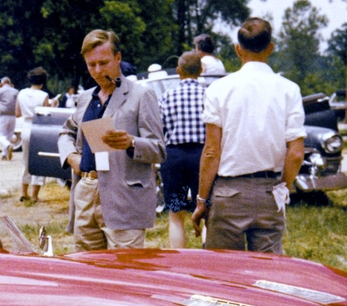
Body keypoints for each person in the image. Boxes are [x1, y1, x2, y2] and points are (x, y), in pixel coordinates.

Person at [191, 17, 306, 254]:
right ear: (271, 48)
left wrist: (201, 200)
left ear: (238, 49)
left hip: (227, 193)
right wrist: (283, 185)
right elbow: (295, 153)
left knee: (224, 274)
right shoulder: (289, 89)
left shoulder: (218, 89)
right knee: (268, 274)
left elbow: (212, 151)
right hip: (269, 191)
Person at [58, 30, 166, 250]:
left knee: (124, 272)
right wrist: (71, 157)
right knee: (88, 269)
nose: (97, 71)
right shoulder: (85, 98)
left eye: (104, 63)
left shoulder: (141, 96)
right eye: (91, 64)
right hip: (87, 192)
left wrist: (131, 143)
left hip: (124, 198)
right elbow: (65, 133)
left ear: (118, 58)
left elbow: (159, 150)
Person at [158, 51, 207, 249]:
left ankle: (179, 260)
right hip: (203, 157)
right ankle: (208, 257)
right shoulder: (209, 94)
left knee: (176, 214)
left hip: (174, 158)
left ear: (178, 71)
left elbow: (159, 130)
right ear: (201, 70)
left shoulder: (166, 96)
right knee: (207, 211)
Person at [16, 66, 51, 203]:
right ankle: (35, 195)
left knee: (26, 160)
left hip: (26, 127)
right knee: (39, 162)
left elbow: (17, 113)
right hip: (39, 128)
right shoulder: (44, 96)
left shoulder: (21, 93)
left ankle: (23, 192)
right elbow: (47, 115)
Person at [0, 77, 20, 161]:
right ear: (10, 83)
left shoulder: (0, 90)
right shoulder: (16, 91)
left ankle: (7, 145)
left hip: (2, 115)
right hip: (13, 116)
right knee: (9, 135)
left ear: (2, 83)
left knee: (0, 135)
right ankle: (4, 154)